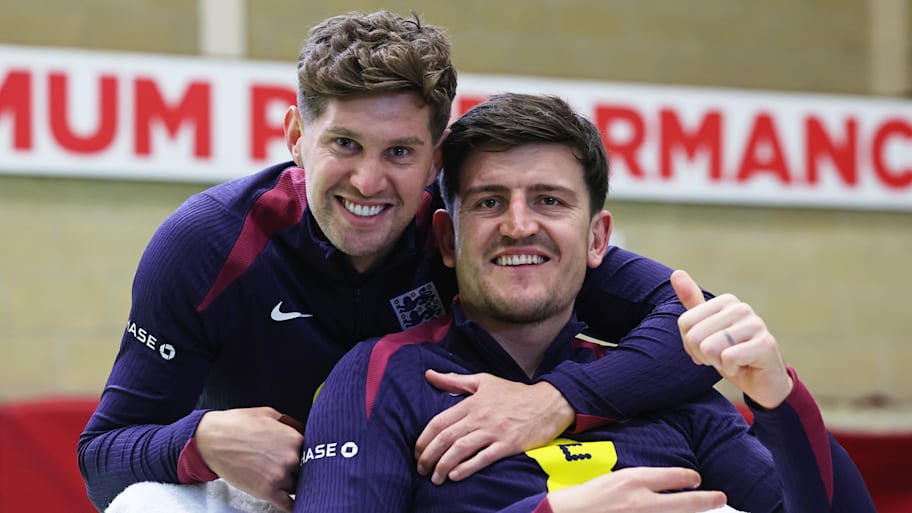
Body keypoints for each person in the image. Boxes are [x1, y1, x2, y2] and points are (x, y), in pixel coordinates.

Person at [78, 10, 720, 512]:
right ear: (297, 137)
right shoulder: (209, 244)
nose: (367, 181)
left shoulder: (476, 233)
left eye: (399, 153)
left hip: (445, 493)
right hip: (281, 496)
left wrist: (556, 398)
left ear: (437, 157)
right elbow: (100, 458)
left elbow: (696, 320)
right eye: (345, 144)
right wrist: (198, 442)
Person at [294, 93, 875, 513]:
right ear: (448, 239)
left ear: (598, 238)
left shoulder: (663, 388)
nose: (519, 226)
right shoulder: (381, 377)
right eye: (490, 202)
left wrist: (777, 399)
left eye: (549, 200)